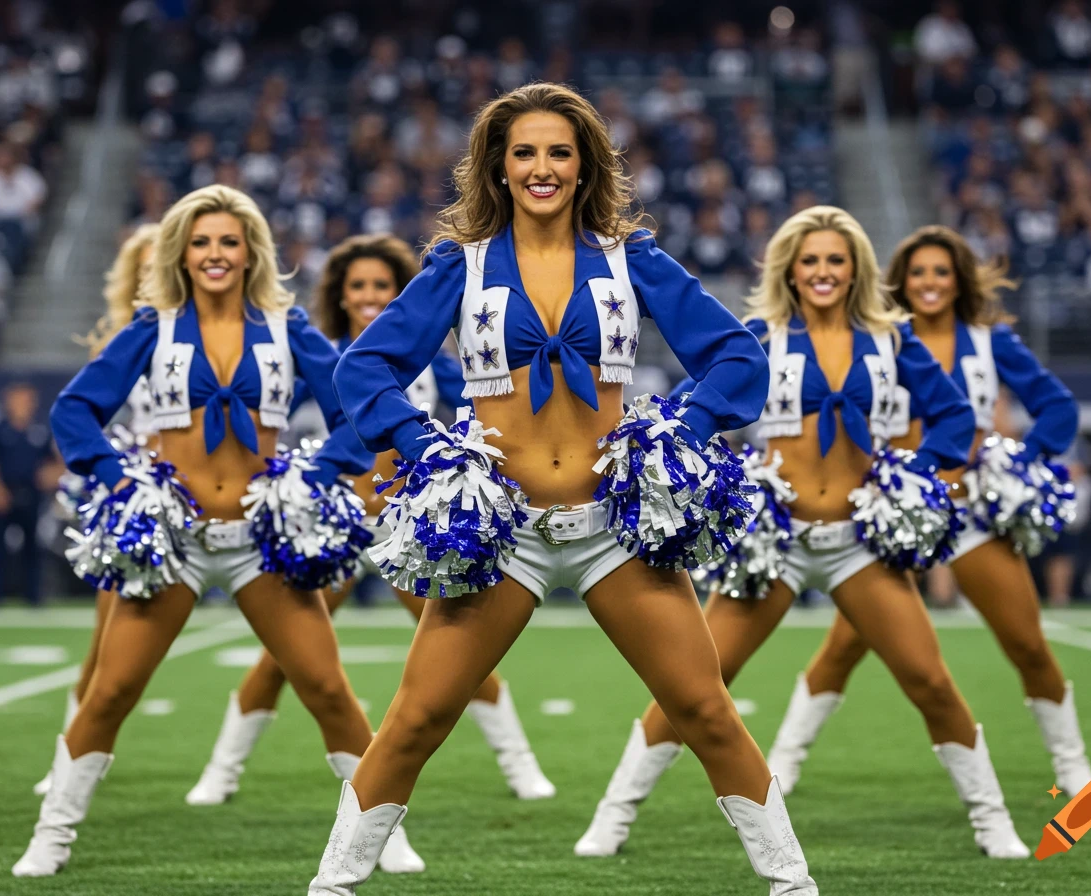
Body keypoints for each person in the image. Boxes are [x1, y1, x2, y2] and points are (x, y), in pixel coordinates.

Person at [308, 82, 818, 895]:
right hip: (499, 531)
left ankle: (795, 886)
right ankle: (330, 887)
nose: (541, 168)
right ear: (498, 167)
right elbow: (364, 366)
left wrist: (681, 429)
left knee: (706, 711)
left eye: (559, 152)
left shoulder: (630, 259)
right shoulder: (460, 266)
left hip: (614, 526)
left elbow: (738, 357)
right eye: (524, 153)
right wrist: (424, 446)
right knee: (415, 720)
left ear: (585, 167)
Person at [575, 207, 1031, 863]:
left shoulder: (891, 338)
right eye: (809, 260)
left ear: (856, 269)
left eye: (835, 260)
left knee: (930, 681)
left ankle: (993, 822)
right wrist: (704, 465)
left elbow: (955, 416)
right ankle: (613, 816)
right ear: (789, 270)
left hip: (859, 542)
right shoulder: (758, 338)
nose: (822, 272)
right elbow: (693, 408)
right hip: (775, 540)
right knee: (696, 683)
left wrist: (911, 474)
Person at [12, 185, 424, 878]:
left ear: (250, 252)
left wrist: (320, 472)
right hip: (174, 538)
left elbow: (358, 407)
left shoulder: (288, 328)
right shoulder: (154, 328)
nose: (215, 254)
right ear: (181, 252)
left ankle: (378, 836)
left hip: (262, 542)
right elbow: (74, 409)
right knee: (111, 691)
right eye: (201, 242)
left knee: (327, 689)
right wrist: (117, 477)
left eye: (229, 241)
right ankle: (52, 835)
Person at [186, 233, 555, 806]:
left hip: (407, 530)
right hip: (333, 527)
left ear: (400, 292)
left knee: (464, 652)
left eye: (382, 285)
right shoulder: (325, 355)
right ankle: (221, 771)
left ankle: (521, 765)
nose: (368, 295)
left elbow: (486, 411)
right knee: (285, 657)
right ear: (340, 294)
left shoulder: (430, 362)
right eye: (357, 285)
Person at [761, 225, 1091, 806]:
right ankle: (784, 761)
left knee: (1027, 643)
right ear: (898, 281)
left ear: (960, 280)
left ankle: (1073, 766)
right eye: (917, 272)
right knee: (844, 648)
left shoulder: (990, 341)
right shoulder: (881, 336)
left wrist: (1018, 461)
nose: (930, 283)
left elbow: (1058, 407)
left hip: (967, 515)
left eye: (942, 272)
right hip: (890, 517)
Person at [29, 223, 161, 796]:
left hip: (215, 498)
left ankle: (225, 766)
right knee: (106, 644)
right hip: (143, 500)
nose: (157, 274)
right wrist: (120, 471)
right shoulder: (125, 339)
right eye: (147, 266)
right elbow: (87, 417)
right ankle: (68, 761)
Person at [0, 382, 58, 606]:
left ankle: (33, 597)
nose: (26, 404)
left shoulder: (40, 430)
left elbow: (53, 461)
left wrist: (50, 476)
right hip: (5, 493)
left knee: (32, 547)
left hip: (31, 494)